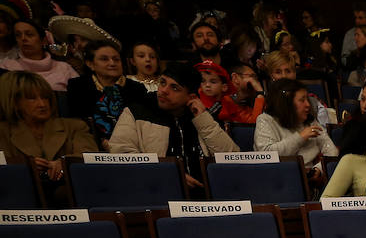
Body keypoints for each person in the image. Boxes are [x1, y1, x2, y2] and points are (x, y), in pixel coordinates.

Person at [108, 62, 236, 186]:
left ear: (191, 97)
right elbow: (121, 156)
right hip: (156, 191)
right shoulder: (136, 112)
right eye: (162, 82)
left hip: (204, 197)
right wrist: (170, 175)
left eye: (174, 88)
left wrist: (204, 120)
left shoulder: (201, 117)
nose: (163, 90)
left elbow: (231, 159)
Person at [0, 71, 96, 198]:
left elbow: (90, 156)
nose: (42, 104)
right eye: (32, 98)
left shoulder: (75, 126)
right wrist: (25, 167)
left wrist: (66, 163)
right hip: (18, 197)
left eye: (45, 97)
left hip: (70, 195)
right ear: (14, 102)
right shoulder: (2, 131)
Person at [253, 78, 337, 178]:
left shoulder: (310, 121)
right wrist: (300, 137)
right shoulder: (265, 120)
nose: (308, 105)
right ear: (286, 104)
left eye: (307, 99)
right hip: (277, 178)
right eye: (302, 100)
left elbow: (332, 151)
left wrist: (318, 169)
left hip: (308, 178)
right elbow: (267, 155)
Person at [64, 39, 129, 148]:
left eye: (116, 59)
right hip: (90, 144)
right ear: (90, 64)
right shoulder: (78, 87)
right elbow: (78, 122)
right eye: (104, 59)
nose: (112, 63)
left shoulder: (136, 88)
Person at [0, 19, 77, 91]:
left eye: (29, 34)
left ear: (43, 41)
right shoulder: (6, 67)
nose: (23, 38)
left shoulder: (64, 68)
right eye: (18, 35)